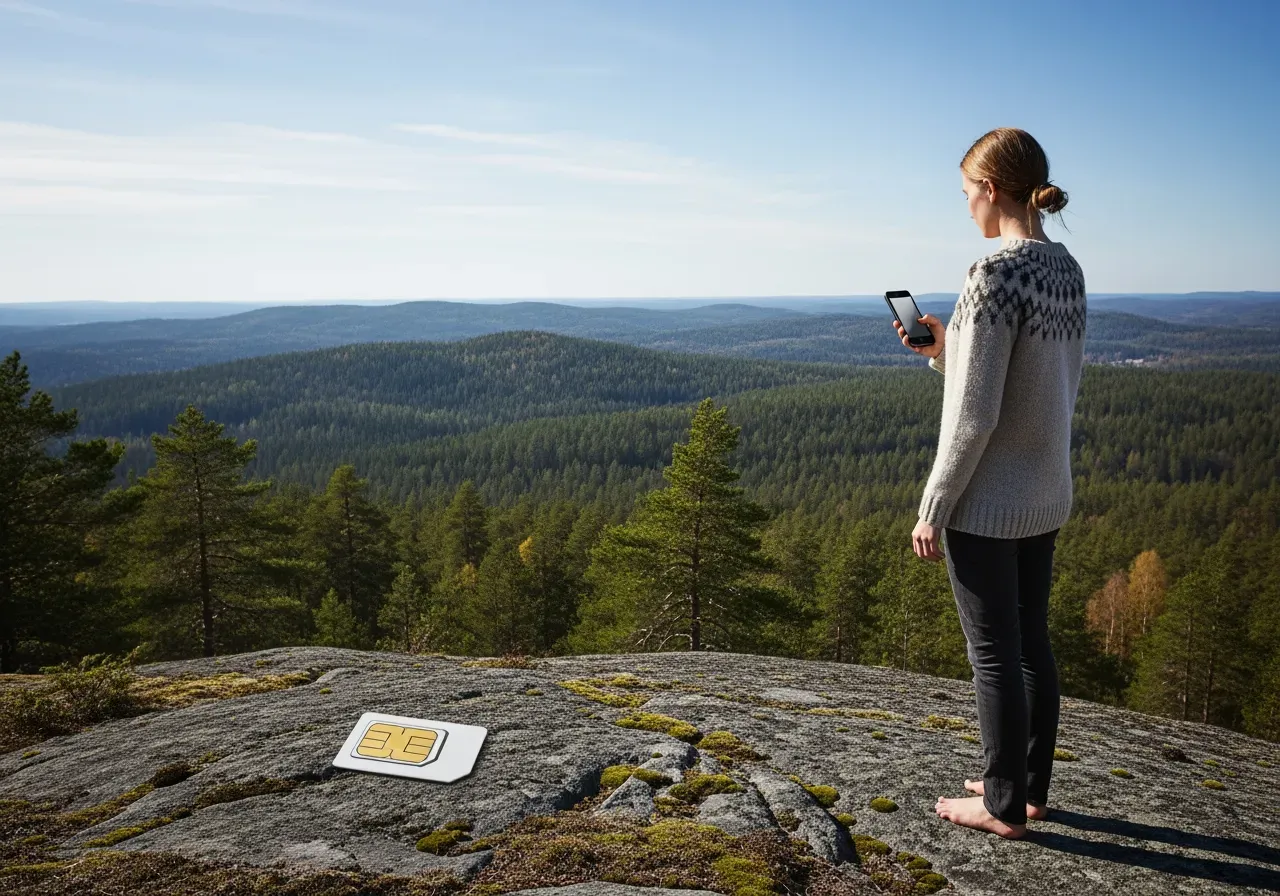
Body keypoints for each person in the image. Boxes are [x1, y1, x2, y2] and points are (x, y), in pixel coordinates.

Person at [892, 127, 1086, 840]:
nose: (966, 206)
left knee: (995, 653)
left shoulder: (992, 273)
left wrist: (933, 507)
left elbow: (974, 418)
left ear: (993, 189)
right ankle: (1025, 784)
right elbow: (1030, 387)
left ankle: (1003, 806)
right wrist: (945, 352)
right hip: (1045, 490)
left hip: (989, 499)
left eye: (967, 191)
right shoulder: (1065, 269)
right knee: (1032, 641)